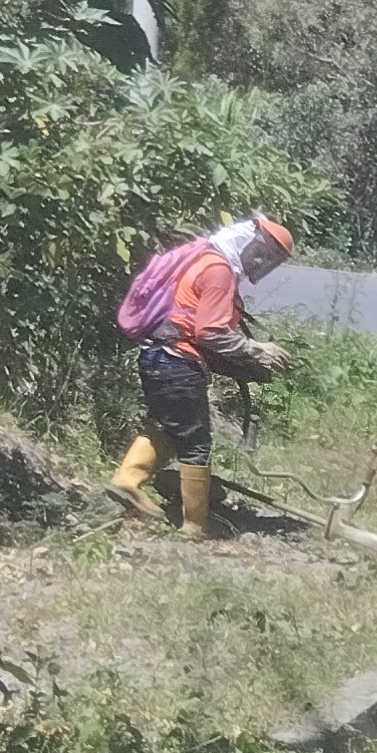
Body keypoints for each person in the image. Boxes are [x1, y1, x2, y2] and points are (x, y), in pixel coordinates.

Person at [107, 214, 295, 540]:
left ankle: (129, 480)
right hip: (177, 362)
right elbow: (209, 332)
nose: (261, 262)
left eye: (270, 259)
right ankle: (195, 524)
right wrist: (254, 349)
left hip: (156, 357)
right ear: (247, 241)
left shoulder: (204, 258)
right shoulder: (219, 271)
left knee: (171, 429)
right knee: (196, 444)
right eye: (263, 252)